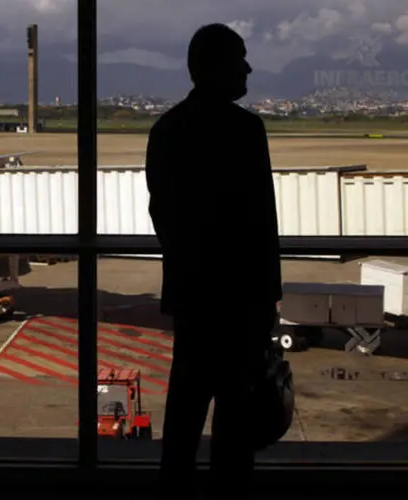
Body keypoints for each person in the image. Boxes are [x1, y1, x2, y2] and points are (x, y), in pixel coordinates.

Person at [145, 24, 282, 498]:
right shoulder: (247, 131)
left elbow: (163, 216)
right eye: (240, 58)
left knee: (183, 415)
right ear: (216, 66)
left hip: (194, 299)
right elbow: (263, 224)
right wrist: (268, 298)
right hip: (241, 302)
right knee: (235, 425)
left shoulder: (167, 130)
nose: (247, 68)